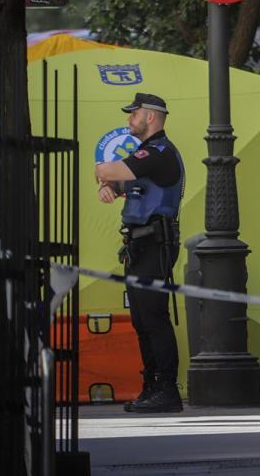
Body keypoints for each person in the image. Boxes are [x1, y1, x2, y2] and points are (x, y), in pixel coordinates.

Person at [95, 92, 185, 413]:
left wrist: (105, 176)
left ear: (150, 116)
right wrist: (108, 185)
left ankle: (167, 390)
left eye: (133, 113)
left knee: (153, 317)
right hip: (138, 245)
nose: (129, 119)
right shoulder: (144, 155)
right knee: (141, 319)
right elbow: (115, 180)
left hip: (155, 243)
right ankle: (151, 386)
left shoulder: (159, 153)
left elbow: (107, 170)